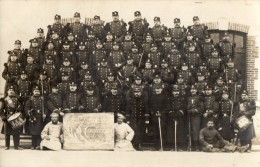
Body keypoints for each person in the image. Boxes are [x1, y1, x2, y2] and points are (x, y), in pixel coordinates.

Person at [0, 85, 23, 150]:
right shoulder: (4, 99)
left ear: (14, 92)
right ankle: (7, 146)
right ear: (7, 92)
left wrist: (19, 110)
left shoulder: (17, 99)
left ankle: (16, 146)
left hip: (15, 117)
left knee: (16, 132)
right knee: (7, 132)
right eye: (9, 90)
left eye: (12, 90)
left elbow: (21, 107)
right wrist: (3, 117)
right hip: (7, 117)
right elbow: (1, 110)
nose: (11, 91)